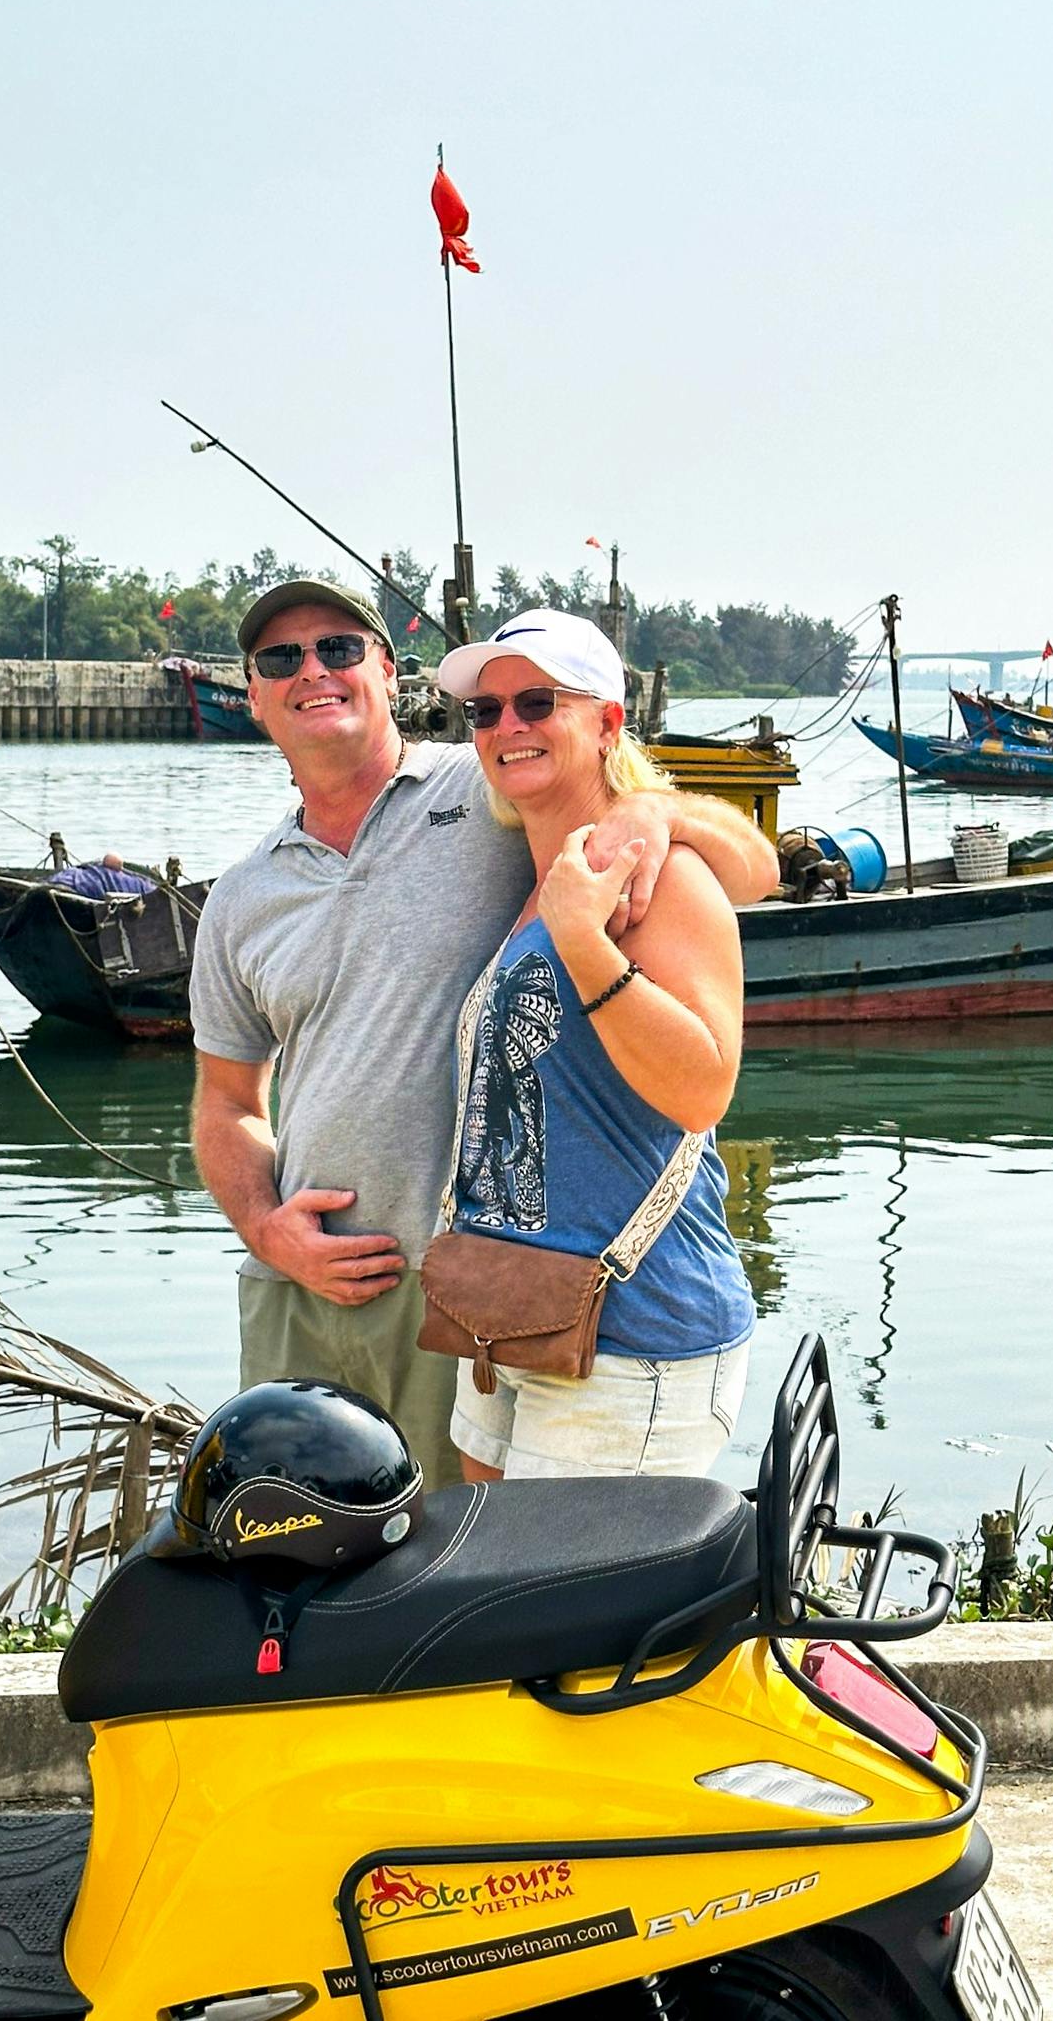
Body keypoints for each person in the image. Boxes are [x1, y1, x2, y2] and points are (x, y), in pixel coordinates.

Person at [189, 577, 777, 1487]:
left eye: (339, 649)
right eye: (281, 660)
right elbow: (227, 1100)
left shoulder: (497, 794)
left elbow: (752, 869)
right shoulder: (240, 894)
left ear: (387, 672)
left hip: (493, 1291)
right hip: (337, 1292)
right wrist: (267, 1228)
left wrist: (656, 809)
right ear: (256, 695)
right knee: (301, 1548)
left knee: (484, 1579)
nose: (313, 671)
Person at [434, 610, 753, 1482]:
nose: (508, 728)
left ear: (608, 722)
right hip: (514, 1315)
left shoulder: (660, 881)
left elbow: (702, 1089)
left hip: (631, 1338)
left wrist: (583, 941)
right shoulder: (539, 878)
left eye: (537, 702)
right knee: (496, 1603)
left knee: (568, 1615)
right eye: (485, 712)